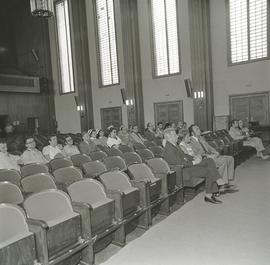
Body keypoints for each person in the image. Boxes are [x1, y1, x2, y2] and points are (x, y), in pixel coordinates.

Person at [163, 128, 226, 204]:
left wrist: (194, 158)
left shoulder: (174, 145)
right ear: (168, 137)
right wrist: (194, 162)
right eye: (174, 135)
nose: (177, 136)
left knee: (209, 161)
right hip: (183, 171)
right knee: (208, 171)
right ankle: (209, 195)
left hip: (187, 166)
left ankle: (218, 181)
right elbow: (179, 163)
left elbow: (184, 155)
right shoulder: (169, 149)